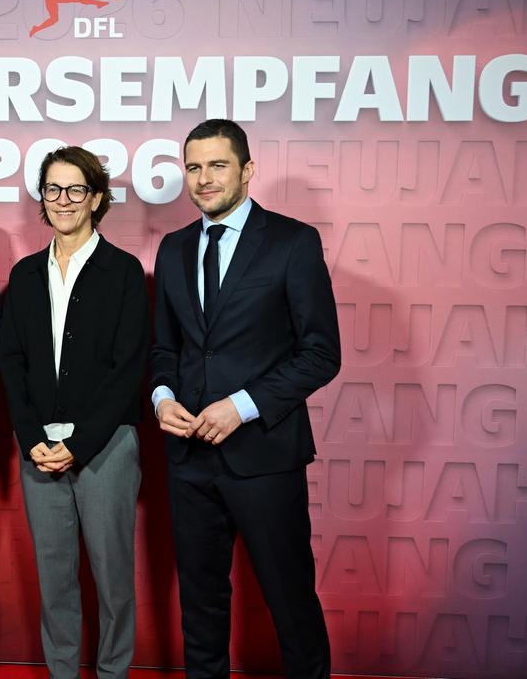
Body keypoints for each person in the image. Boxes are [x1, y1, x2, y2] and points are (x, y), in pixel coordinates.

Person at [150, 119, 341, 679]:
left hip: (265, 455)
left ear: (247, 169)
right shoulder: (173, 248)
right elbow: (164, 348)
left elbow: (321, 354)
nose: (203, 178)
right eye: (193, 167)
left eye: (217, 165)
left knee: (290, 600)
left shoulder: (292, 242)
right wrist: (162, 397)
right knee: (200, 604)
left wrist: (243, 405)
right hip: (189, 459)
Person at [0, 146, 147, 679]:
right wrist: (30, 437)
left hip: (106, 447)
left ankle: (113, 673)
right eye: (53, 189)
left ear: (96, 198)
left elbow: (129, 369)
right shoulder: (25, 274)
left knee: (113, 580)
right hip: (38, 448)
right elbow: (10, 362)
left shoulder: (124, 272)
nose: (63, 200)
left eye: (76, 189)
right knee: (54, 578)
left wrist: (79, 445)